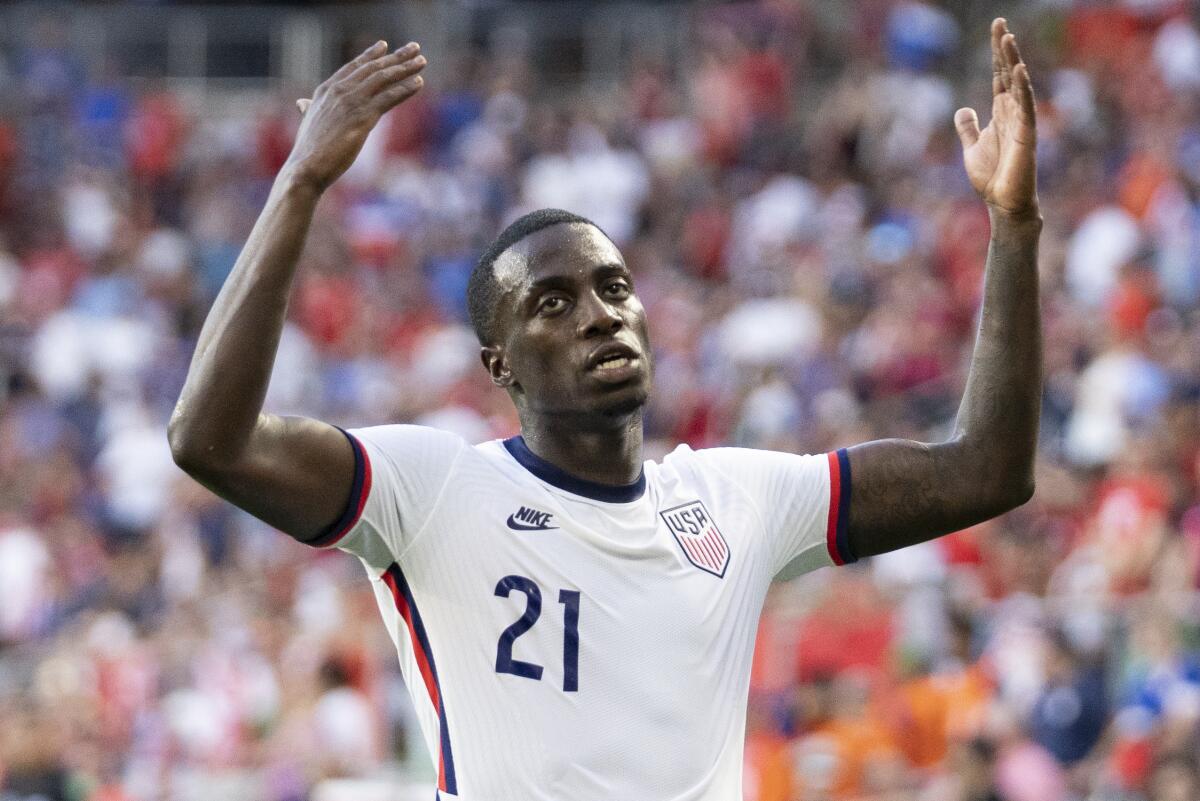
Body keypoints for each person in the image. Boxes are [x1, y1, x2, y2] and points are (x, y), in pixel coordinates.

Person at [169, 19, 1042, 800]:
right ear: (499, 363)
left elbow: (986, 471)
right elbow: (211, 441)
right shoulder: (434, 489)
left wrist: (1013, 225)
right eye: (552, 302)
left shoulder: (734, 499)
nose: (598, 313)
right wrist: (300, 182)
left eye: (614, 286)